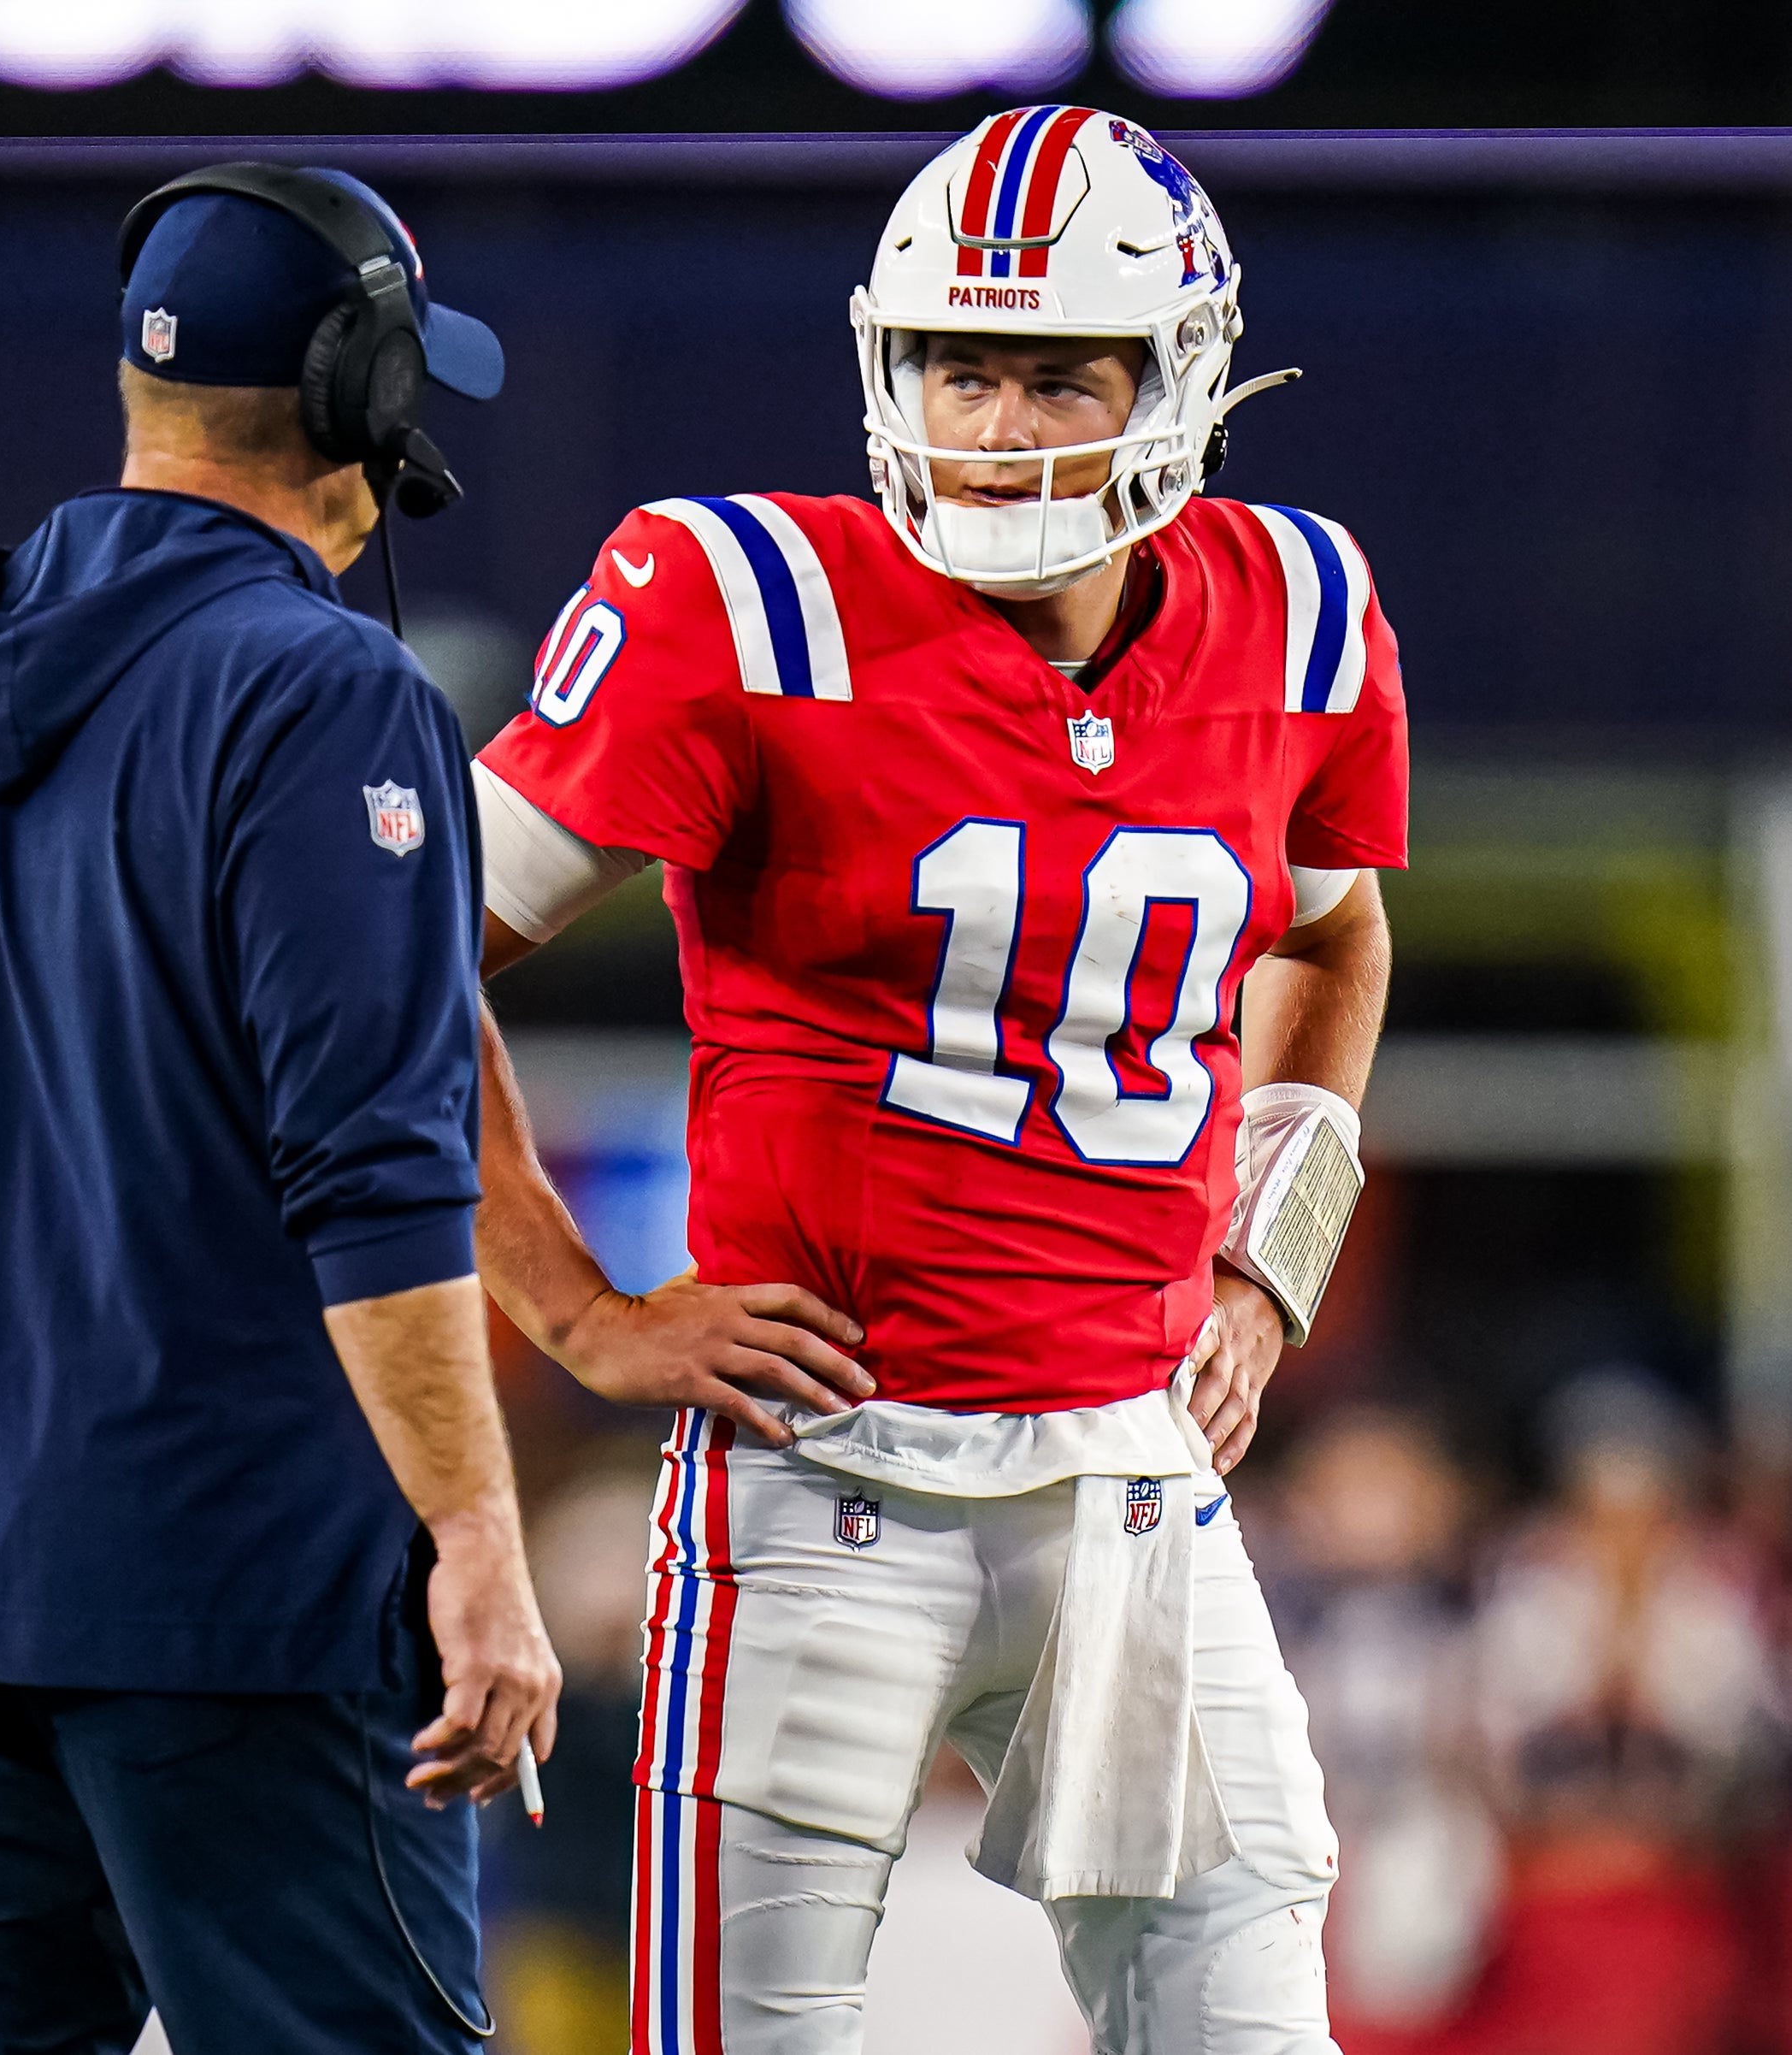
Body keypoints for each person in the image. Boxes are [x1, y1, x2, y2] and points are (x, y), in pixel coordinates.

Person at [471, 109, 1406, 2051]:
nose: (992, 428)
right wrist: (570, 1304)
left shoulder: (1300, 609)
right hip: (826, 1476)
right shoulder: (736, 598)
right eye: (953, 370)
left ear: (1180, 378)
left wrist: (1267, 1261)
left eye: (1053, 371)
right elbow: (377, 965)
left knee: (1250, 2018)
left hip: (1137, 1482)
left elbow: (1331, 936)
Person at [0, 162, 558, 2053]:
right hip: (251, 1606)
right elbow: (372, 1168)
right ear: (361, 395)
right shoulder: (327, 692)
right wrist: (475, 1534)